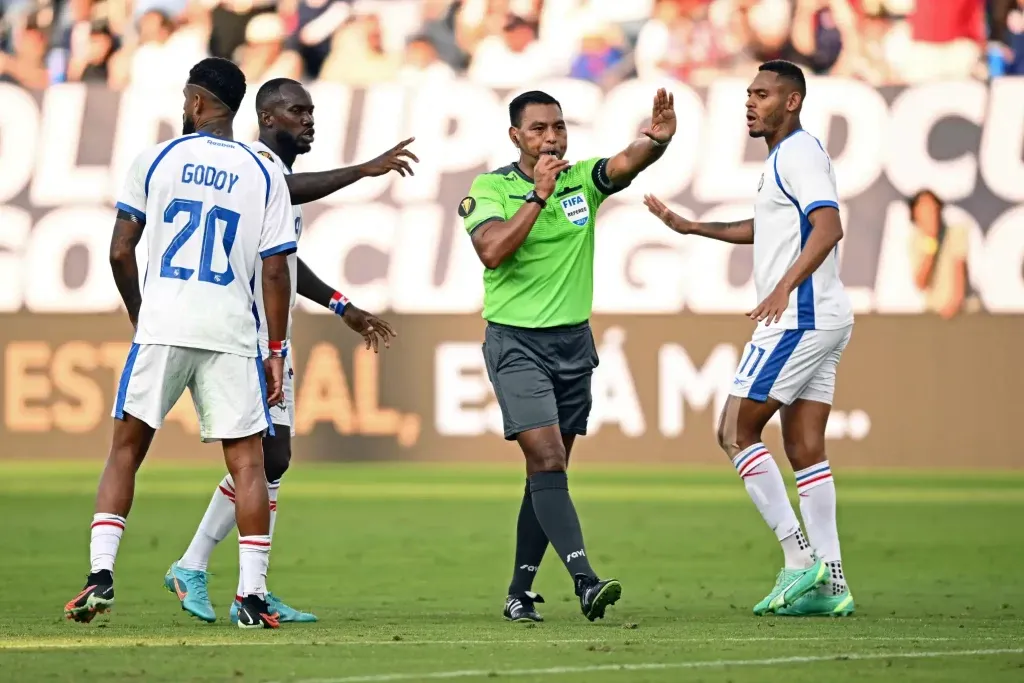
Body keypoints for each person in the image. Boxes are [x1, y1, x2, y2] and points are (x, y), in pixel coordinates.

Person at [163, 78, 413, 625]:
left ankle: (216, 574)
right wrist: (363, 170)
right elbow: (290, 196)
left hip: (269, 338)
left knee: (274, 459)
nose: (309, 120)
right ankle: (225, 580)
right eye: (298, 111)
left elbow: (284, 264)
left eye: (312, 111)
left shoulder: (278, 176)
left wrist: (343, 305)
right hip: (242, 337)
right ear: (268, 117)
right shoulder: (254, 166)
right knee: (266, 458)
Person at [64, 57, 297, 629]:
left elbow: (121, 250)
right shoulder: (261, 170)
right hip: (232, 331)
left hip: (164, 326)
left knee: (126, 451)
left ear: (195, 102)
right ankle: (251, 597)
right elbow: (275, 271)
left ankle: (101, 576)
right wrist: (276, 350)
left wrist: (141, 315)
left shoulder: (158, 158)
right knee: (246, 463)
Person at [644, 60, 855, 617]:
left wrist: (785, 286)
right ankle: (831, 583)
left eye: (762, 94)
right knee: (804, 447)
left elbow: (828, 227)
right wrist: (694, 228)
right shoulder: (786, 159)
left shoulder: (799, 153)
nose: (750, 102)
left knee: (734, 430)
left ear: (792, 101)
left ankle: (798, 558)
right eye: (748, 94)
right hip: (827, 316)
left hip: (801, 317)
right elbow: (773, 227)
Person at [460, 88, 675, 623]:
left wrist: (656, 141)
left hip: (573, 344)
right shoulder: (491, 188)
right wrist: (536, 195)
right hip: (516, 342)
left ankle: (518, 592)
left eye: (557, 126)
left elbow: (625, 163)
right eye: (538, 128)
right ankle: (586, 581)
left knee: (547, 473)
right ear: (516, 136)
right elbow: (492, 250)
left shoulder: (582, 180)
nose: (551, 136)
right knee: (549, 460)